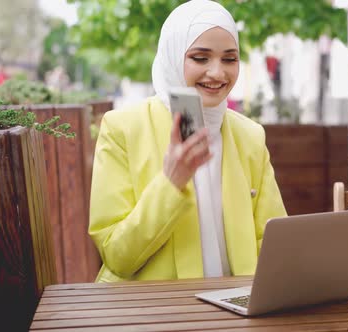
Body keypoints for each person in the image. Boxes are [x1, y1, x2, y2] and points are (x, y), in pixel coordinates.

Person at [89, 0, 286, 282]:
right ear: (173, 55)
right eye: (200, 58)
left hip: (238, 312)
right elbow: (117, 257)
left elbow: (272, 241)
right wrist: (170, 183)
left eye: (229, 59)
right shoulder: (122, 129)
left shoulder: (250, 136)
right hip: (149, 315)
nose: (218, 73)